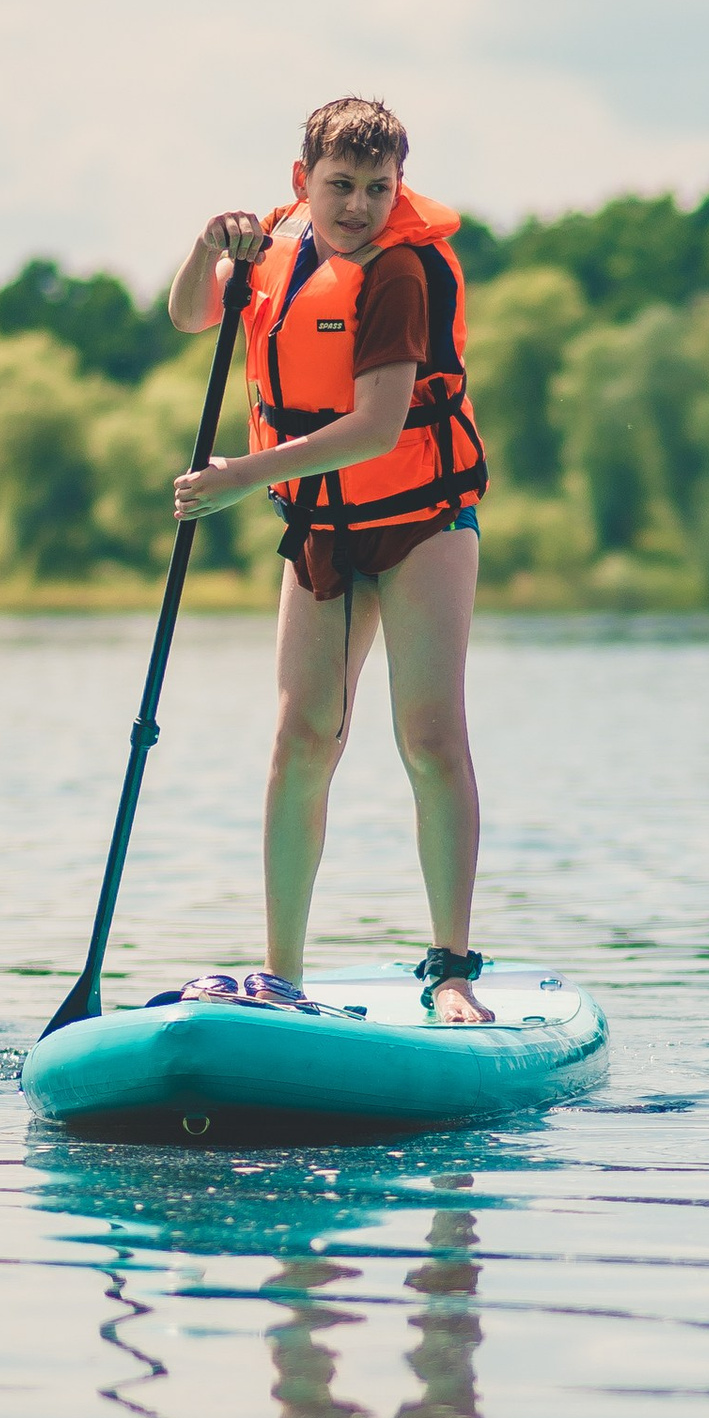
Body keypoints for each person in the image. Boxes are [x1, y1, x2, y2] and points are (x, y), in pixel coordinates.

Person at [168, 95, 494, 1021]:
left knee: (429, 737)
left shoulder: (401, 273)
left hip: (422, 517)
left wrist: (241, 476)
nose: (358, 207)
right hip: (318, 526)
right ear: (301, 182)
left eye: (379, 189)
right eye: (341, 187)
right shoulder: (275, 245)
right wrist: (208, 249)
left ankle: (453, 968)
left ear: (399, 187)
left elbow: (377, 426)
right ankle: (284, 977)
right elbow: (192, 315)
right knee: (302, 737)